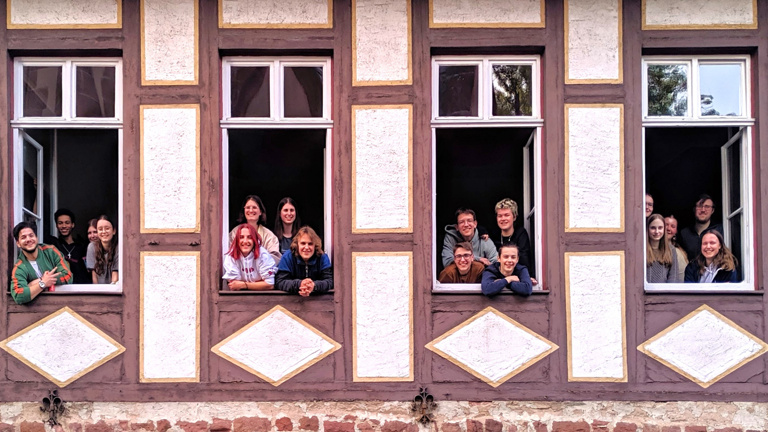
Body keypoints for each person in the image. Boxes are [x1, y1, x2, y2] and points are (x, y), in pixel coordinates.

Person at [10, 221, 73, 304]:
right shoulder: (19, 267)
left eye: (31, 235)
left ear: (37, 238)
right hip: (36, 309)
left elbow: (67, 276)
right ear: (18, 243)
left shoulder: (51, 251)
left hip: (61, 303)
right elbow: (18, 295)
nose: (28, 239)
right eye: (23, 237)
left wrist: (34, 283)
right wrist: (42, 283)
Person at [275, 226, 332, 296]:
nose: (307, 247)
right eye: (303, 243)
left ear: (315, 245)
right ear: (297, 245)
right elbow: (280, 282)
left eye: (310, 244)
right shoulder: (287, 257)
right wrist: (300, 284)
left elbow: (329, 281)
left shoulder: (322, 257)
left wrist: (314, 286)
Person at [223, 223, 277, 291]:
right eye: (241, 237)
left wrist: (244, 285)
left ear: (254, 240)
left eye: (249, 237)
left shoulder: (263, 255)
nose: (245, 241)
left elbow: (270, 284)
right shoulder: (231, 256)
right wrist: (260, 283)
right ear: (237, 240)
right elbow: (234, 285)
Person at [228, 195, 282, 262]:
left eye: (254, 207)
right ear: (244, 211)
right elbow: (229, 254)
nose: (251, 210)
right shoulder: (235, 232)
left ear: (260, 212)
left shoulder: (269, 236)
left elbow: (275, 259)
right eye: (248, 207)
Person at [490, 198, 534, 278]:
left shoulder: (521, 234)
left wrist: (526, 277)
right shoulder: (493, 235)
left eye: (506, 215)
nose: (503, 219)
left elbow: (524, 258)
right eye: (500, 216)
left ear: (514, 217)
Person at [49, 209, 90, 284]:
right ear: (56, 226)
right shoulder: (54, 244)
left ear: (72, 224)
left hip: (80, 288)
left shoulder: (82, 246)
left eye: (67, 223)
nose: (64, 226)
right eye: (60, 223)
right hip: (61, 288)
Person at [678, 194, 724, 261]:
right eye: (699, 206)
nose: (703, 210)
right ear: (694, 209)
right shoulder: (684, 233)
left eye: (707, 206)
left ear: (712, 210)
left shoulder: (720, 230)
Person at [646, 214, 680, 283]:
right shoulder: (641, 249)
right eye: (653, 228)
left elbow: (674, 277)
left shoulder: (671, 249)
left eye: (660, 228)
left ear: (664, 229)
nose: (657, 231)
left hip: (665, 292)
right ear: (647, 229)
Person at [86, 215, 119, 284]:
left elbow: (115, 276)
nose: (103, 232)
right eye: (100, 229)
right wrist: (97, 293)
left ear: (114, 231)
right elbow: (94, 275)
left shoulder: (118, 247)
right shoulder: (92, 247)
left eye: (107, 228)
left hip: (114, 289)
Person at [664, 214, 688, 282]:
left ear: (676, 232)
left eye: (673, 226)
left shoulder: (677, 252)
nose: (668, 228)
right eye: (666, 224)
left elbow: (681, 279)